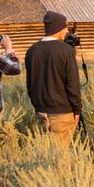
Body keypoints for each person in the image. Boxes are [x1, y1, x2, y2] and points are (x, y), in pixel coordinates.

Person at [25, 11, 83, 143]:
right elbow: (72, 84)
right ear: (58, 28)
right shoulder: (66, 50)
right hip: (62, 112)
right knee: (60, 156)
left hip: (41, 112)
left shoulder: (32, 50)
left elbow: (30, 84)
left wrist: (37, 105)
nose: (67, 31)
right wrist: (77, 109)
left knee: (44, 151)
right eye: (65, 27)